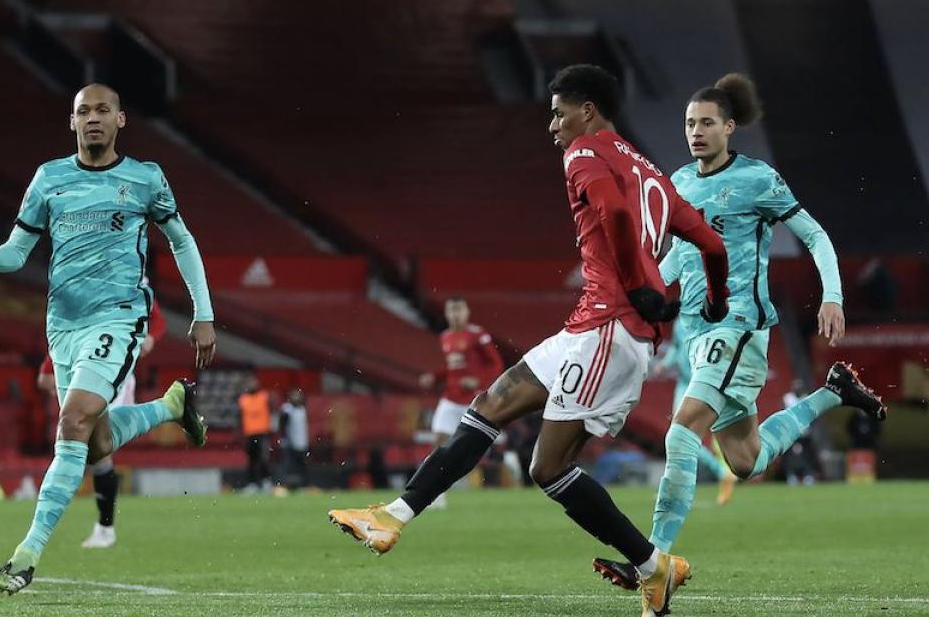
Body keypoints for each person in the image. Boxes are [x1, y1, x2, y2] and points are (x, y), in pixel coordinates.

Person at [328, 64, 731, 617]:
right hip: (590, 327)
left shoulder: (584, 152)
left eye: (559, 114)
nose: (553, 126)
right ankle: (393, 516)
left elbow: (614, 210)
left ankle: (653, 567)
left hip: (607, 329)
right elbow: (712, 244)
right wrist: (715, 301)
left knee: (548, 469)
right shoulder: (655, 176)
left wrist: (639, 286)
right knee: (490, 404)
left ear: (587, 111)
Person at [589, 74, 886, 612]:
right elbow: (678, 259)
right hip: (697, 332)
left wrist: (832, 296)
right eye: (689, 123)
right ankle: (832, 393)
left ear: (729, 127)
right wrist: (638, 295)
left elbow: (815, 235)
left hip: (739, 326)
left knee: (682, 432)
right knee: (747, 460)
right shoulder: (678, 182)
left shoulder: (756, 179)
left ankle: (652, 563)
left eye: (706, 122)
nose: (695, 131)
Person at [0, 83, 217, 595]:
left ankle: (26, 555)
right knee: (95, 440)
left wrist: (204, 313)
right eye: (84, 111)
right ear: (73, 122)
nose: (94, 118)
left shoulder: (145, 179)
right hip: (62, 326)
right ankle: (171, 406)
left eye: (103, 110)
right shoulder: (49, 178)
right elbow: (18, 250)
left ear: (121, 119)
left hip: (119, 317)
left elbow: (182, 241)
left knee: (73, 419)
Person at [36, 300, 166, 548]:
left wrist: (151, 336)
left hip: (112, 376)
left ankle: (104, 529)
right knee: (96, 454)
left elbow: (156, 316)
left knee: (98, 452)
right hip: (90, 369)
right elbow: (45, 377)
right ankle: (103, 528)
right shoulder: (82, 305)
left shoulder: (124, 283)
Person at [416, 297, 503, 508]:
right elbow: (452, 369)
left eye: (459, 310)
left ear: (466, 312)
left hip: (472, 400)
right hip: (450, 398)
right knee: (438, 441)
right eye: (451, 310)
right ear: (446, 314)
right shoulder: (445, 337)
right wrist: (434, 377)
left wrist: (478, 381)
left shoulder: (477, 335)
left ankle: (496, 481)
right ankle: (434, 494)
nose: (455, 315)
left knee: (474, 446)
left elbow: (496, 364)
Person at [654, 319, 736, 505]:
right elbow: (676, 347)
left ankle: (717, 473)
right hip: (683, 384)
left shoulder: (709, 319)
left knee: (682, 438)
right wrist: (665, 364)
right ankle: (681, 485)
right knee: (678, 436)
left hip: (702, 383)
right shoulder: (679, 323)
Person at [237, 374, 273, 492]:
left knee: (263, 458)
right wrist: (239, 433)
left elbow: (272, 412)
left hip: (262, 433)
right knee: (251, 460)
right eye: (249, 383)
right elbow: (239, 417)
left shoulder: (264, 396)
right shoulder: (243, 399)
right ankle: (252, 484)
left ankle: (266, 482)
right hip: (249, 434)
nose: (251, 385)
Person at [278, 388, 310, 490]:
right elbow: (282, 425)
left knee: (301, 466)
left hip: (302, 443)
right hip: (290, 443)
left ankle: (302, 485)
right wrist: (285, 439)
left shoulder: (302, 409)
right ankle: (286, 485)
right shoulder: (287, 409)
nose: (297, 398)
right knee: (288, 466)